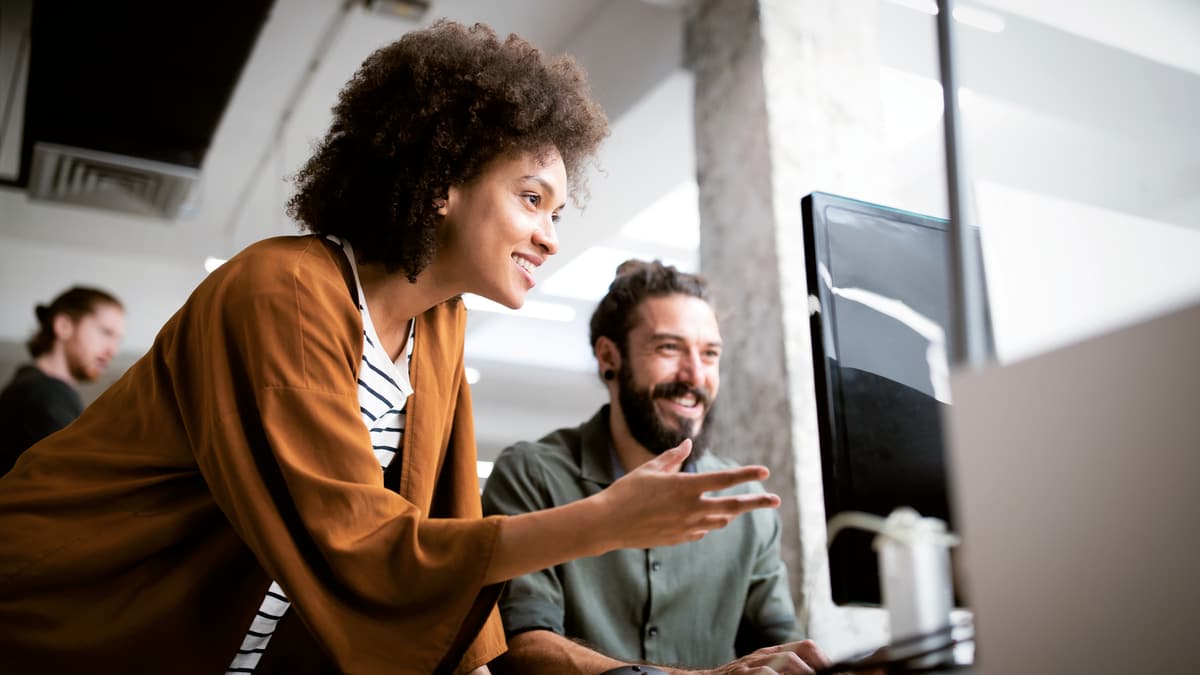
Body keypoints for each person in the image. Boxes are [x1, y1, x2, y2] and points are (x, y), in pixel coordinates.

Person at [0, 21, 782, 675]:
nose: (549, 234)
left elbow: (439, 521)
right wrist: (605, 520)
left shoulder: (439, 328)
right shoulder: (283, 291)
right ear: (443, 181)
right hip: (58, 613)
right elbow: (359, 540)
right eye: (531, 197)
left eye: (557, 210)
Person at [482, 260, 836, 675]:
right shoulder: (532, 476)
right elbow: (520, 645)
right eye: (669, 348)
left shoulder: (746, 505)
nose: (694, 376)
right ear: (609, 357)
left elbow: (779, 647)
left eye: (709, 354)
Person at [0, 286, 125, 476]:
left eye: (118, 340)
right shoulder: (45, 392)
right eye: (106, 332)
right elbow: (79, 478)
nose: (112, 351)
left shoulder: (32, 387)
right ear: (64, 326)